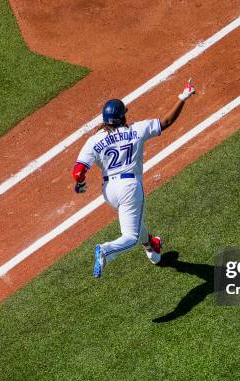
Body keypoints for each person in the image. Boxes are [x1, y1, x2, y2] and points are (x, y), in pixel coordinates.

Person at [72, 79, 196, 277]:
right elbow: (166, 122)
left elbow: (78, 171)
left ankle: (151, 245)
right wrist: (183, 97)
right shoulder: (136, 130)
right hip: (129, 187)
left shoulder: (94, 139)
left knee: (135, 220)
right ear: (122, 117)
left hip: (109, 192)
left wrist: (80, 184)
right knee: (130, 236)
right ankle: (105, 250)